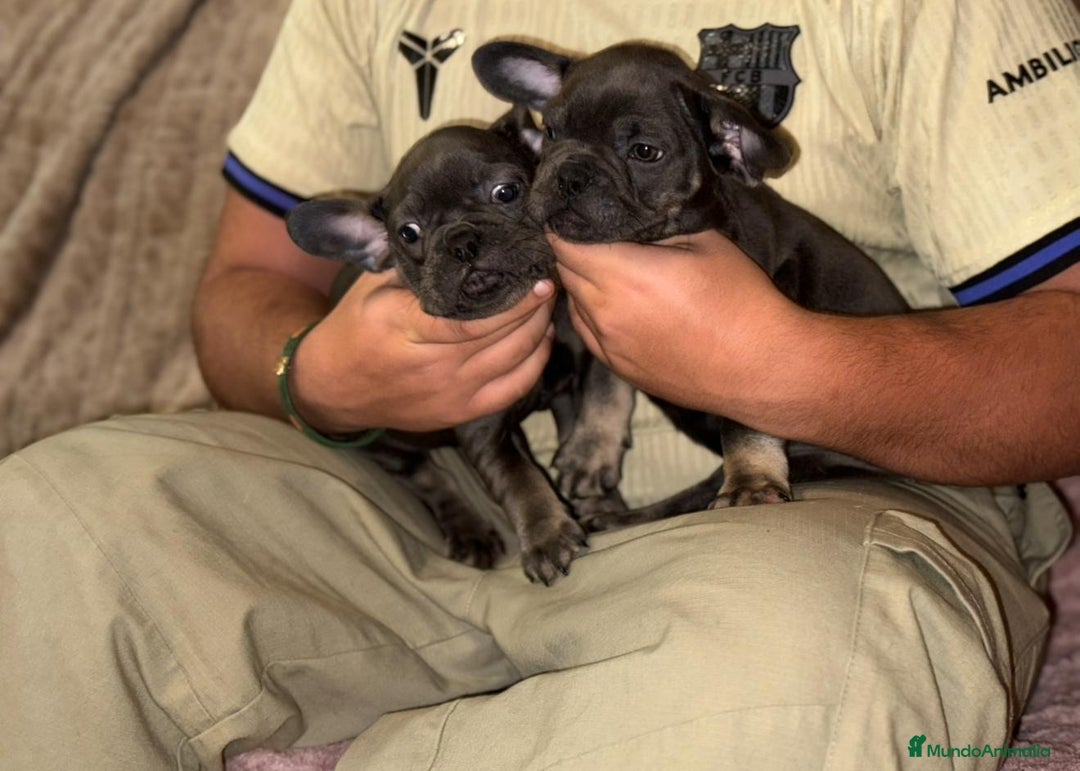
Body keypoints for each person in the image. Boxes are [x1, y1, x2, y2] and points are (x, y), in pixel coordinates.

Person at [3, 1, 1078, 769]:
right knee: (44, 528)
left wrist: (788, 367)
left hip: (826, 502)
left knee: (820, 676)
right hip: (435, 502)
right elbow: (244, 286)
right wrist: (319, 377)